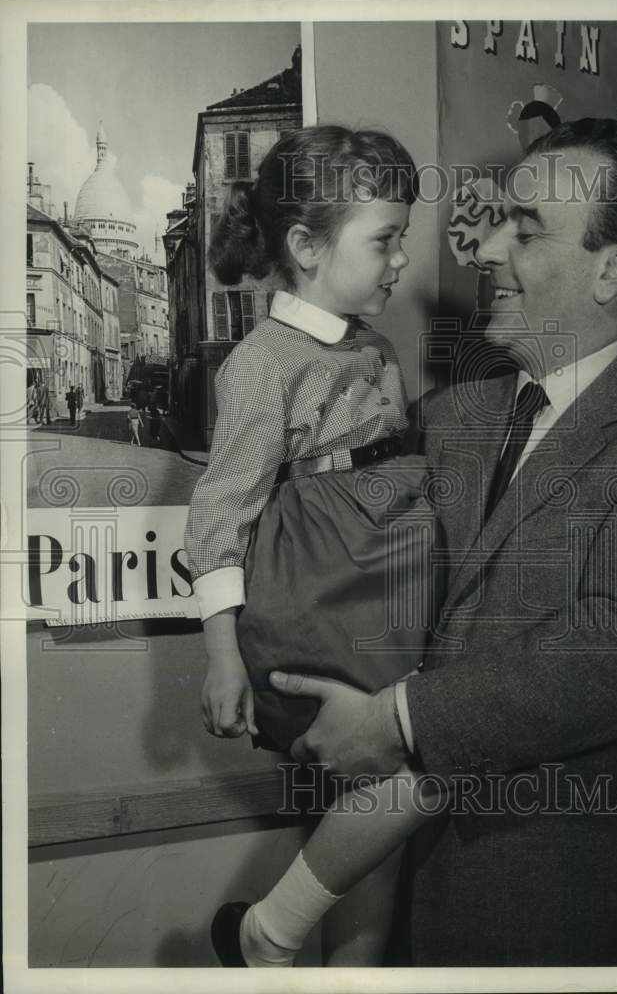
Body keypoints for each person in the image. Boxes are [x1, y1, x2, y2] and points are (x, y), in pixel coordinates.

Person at [267, 118, 617, 966]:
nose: (484, 250)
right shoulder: (447, 420)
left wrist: (396, 722)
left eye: (527, 227)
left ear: (614, 269)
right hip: (384, 919)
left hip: (549, 924)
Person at [185, 125, 442, 968]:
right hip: (326, 585)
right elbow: (222, 513)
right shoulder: (262, 363)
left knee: (377, 816)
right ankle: (272, 931)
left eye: (403, 237)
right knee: (419, 761)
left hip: (387, 572)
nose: (401, 259)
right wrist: (223, 657)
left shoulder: (374, 344)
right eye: (384, 240)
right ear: (305, 245)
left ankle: (317, 961)